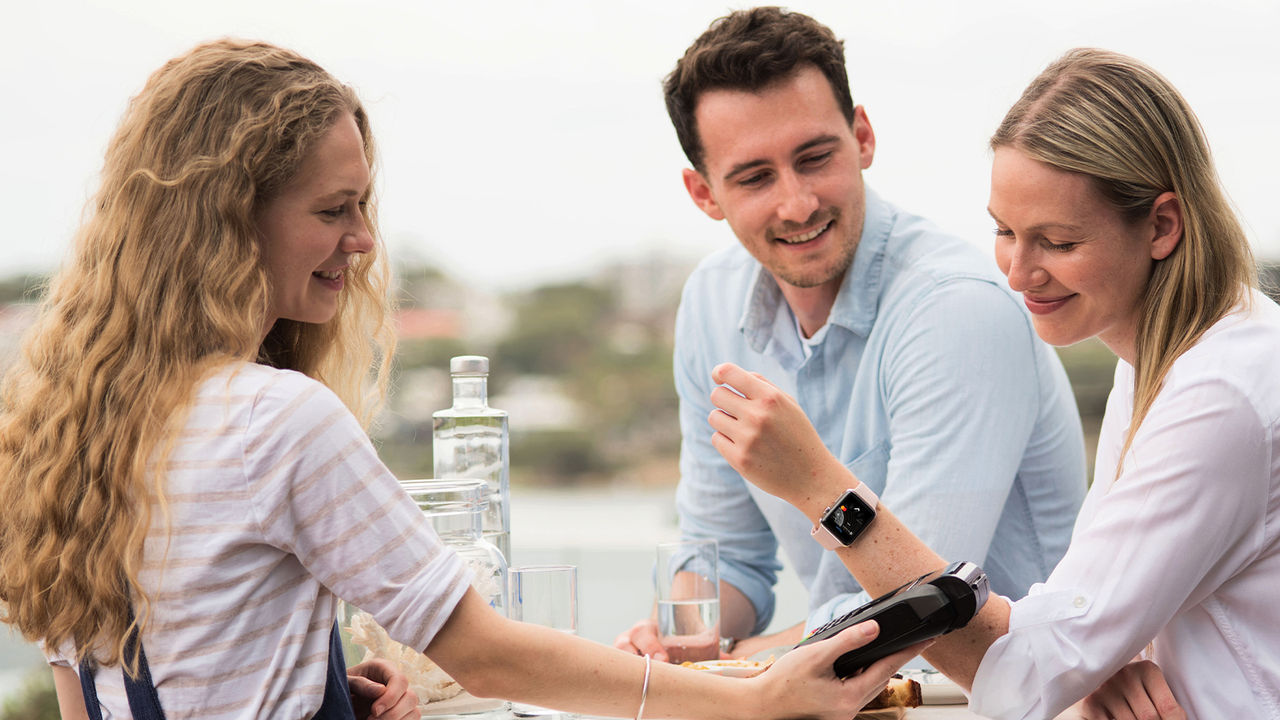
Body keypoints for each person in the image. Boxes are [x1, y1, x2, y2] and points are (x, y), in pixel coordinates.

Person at [0, 39, 923, 720]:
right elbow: (484, 655)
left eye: (361, 206)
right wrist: (757, 702)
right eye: (334, 210)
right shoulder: (274, 418)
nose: (362, 241)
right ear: (228, 224)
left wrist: (308, 684)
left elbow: (90, 692)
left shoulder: (69, 421)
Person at [707, 47, 1275, 719]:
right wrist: (1093, 660)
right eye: (1005, 231)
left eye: (1059, 243)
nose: (1018, 272)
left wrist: (822, 489)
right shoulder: (1161, 358)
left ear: (1161, 225)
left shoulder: (1218, 398)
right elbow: (1065, 631)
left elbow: (1022, 668)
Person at [615, 6, 1086, 660]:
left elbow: (922, 607)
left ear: (862, 136)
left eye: (815, 157)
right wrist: (681, 641)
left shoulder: (956, 307)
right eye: (755, 177)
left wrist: (735, 664)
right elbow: (725, 555)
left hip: (1005, 694)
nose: (799, 202)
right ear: (704, 194)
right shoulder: (710, 304)